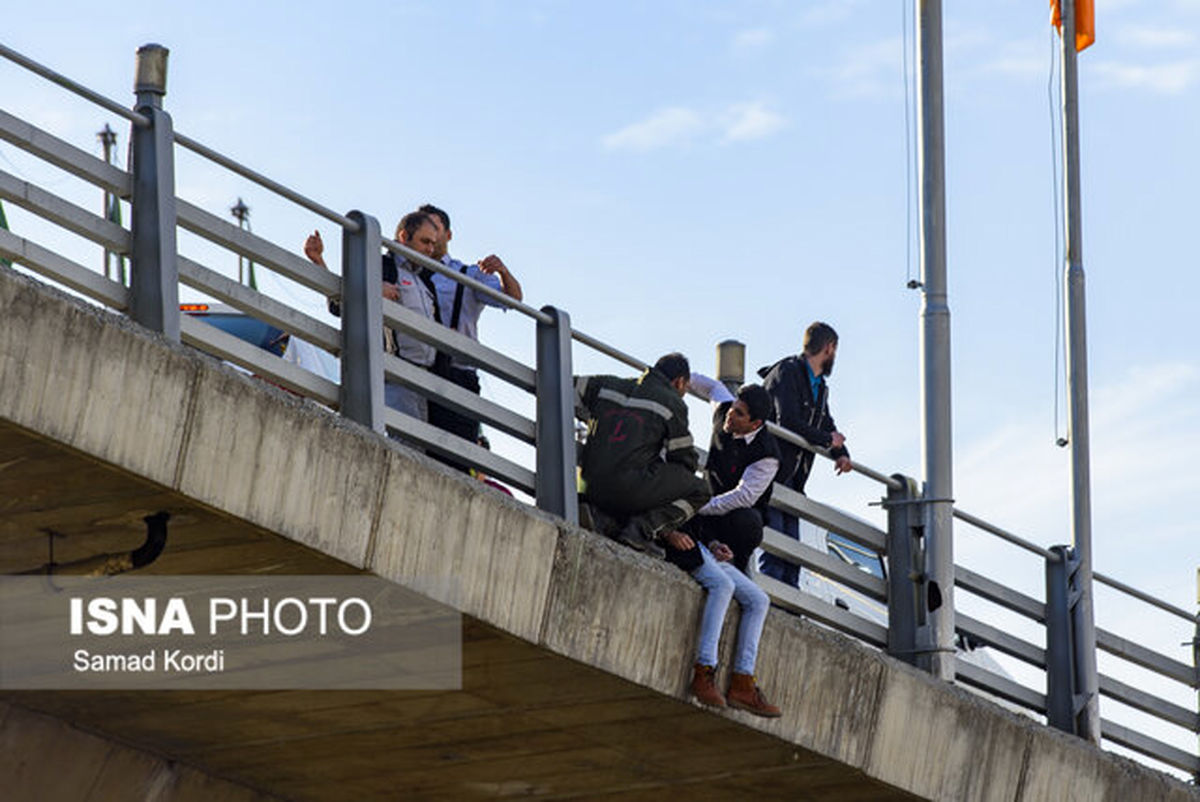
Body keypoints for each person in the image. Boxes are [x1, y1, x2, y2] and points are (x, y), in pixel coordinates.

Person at [661, 374, 781, 717]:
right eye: (734, 409)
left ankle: (743, 683)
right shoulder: (724, 411)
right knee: (723, 584)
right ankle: (704, 672)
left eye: (740, 414)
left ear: (755, 422)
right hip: (694, 526)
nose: (731, 415)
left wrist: (708, 526)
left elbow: (744, 496)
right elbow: (712, 388)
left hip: (721, 523)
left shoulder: (767, 455)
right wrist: (680, 382)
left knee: (759, 599)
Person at [304, 211, 441, 428]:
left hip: (428, 384)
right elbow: (341, 305)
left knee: (421, 456)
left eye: (433, 244)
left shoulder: (426, 281)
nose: (430, 250)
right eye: (425, 242)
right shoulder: (380, 265)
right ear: (404, 237)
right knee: (403, 449)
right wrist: (319, 263)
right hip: (396, 377)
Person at [573, 352, 711, 560]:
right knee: (701, 490)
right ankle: (641, 531)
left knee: (630, 479)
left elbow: (565, 383)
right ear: (680, 382)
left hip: (587, 484)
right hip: (627, 490)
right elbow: (684, 460)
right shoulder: (673, 403)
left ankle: (602, 518)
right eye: (685, 388)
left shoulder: (607, 384)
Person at [418, 204, 523, 466]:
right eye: (423, 227)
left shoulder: (467, 275)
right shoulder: (403, 272)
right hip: (415, 369)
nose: (430, 234)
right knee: (411, 452)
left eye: (435, 227)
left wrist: (503, 272)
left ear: (448, 235)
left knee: (455, 459)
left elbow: (513, 300)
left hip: (457, 373)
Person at [757, 321, 851, 585]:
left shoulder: (820, 386)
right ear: (829, 348)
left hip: (794, 478)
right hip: (772, 472)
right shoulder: (786, 372)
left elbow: (825, 423)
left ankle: (788, 611)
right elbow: (787, 420)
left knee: (792, 555)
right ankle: (773, 605)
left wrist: (841, 453)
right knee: (775, 550)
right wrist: (827, 440)